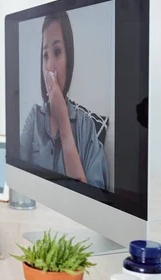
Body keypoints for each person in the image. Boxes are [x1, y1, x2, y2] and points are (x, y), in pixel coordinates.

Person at [20, 11, 109, 190]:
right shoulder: (34, 117)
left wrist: (64, 126)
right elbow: (17, 178)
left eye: (57, 52)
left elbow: (95, 203)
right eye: (45, 56)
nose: (50, 66)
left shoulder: (86, 125)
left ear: (70, 59)